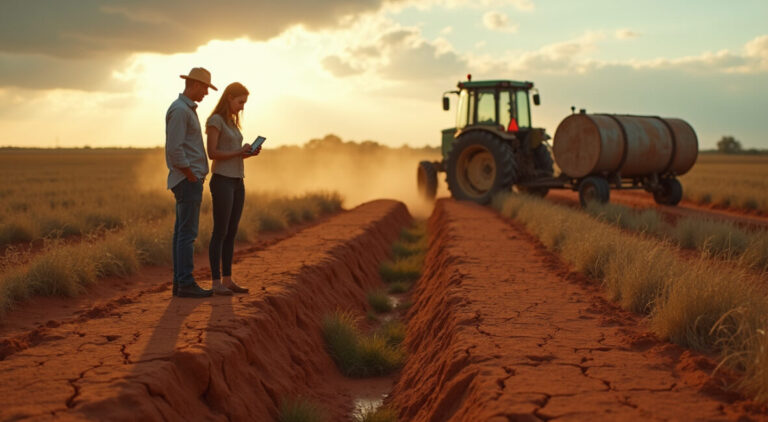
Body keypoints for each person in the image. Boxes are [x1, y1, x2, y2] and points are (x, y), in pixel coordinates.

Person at [165, 67, 217, 298]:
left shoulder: (185, 109)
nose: (206, 93)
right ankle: (185, 282)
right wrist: (190, 174)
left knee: (182, 233)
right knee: (187, 234)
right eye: (205, 88)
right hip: (187, 180)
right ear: (195, 84)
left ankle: (180, 283)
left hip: (188, 179)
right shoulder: (180, 110)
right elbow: (174, 148)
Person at [205, 82, 261, 295]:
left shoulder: (232, 122)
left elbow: (232, 154)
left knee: (231, 232)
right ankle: (215, 283)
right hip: (222, 181)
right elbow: (212, 153)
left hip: (238, 181)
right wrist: (239, 151)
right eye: (240, 102)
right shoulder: (215, 121)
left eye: (245, 103)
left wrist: (248, 154)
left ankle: (227, 280)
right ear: (229, 97)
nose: (242, 106)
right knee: (220, 232)